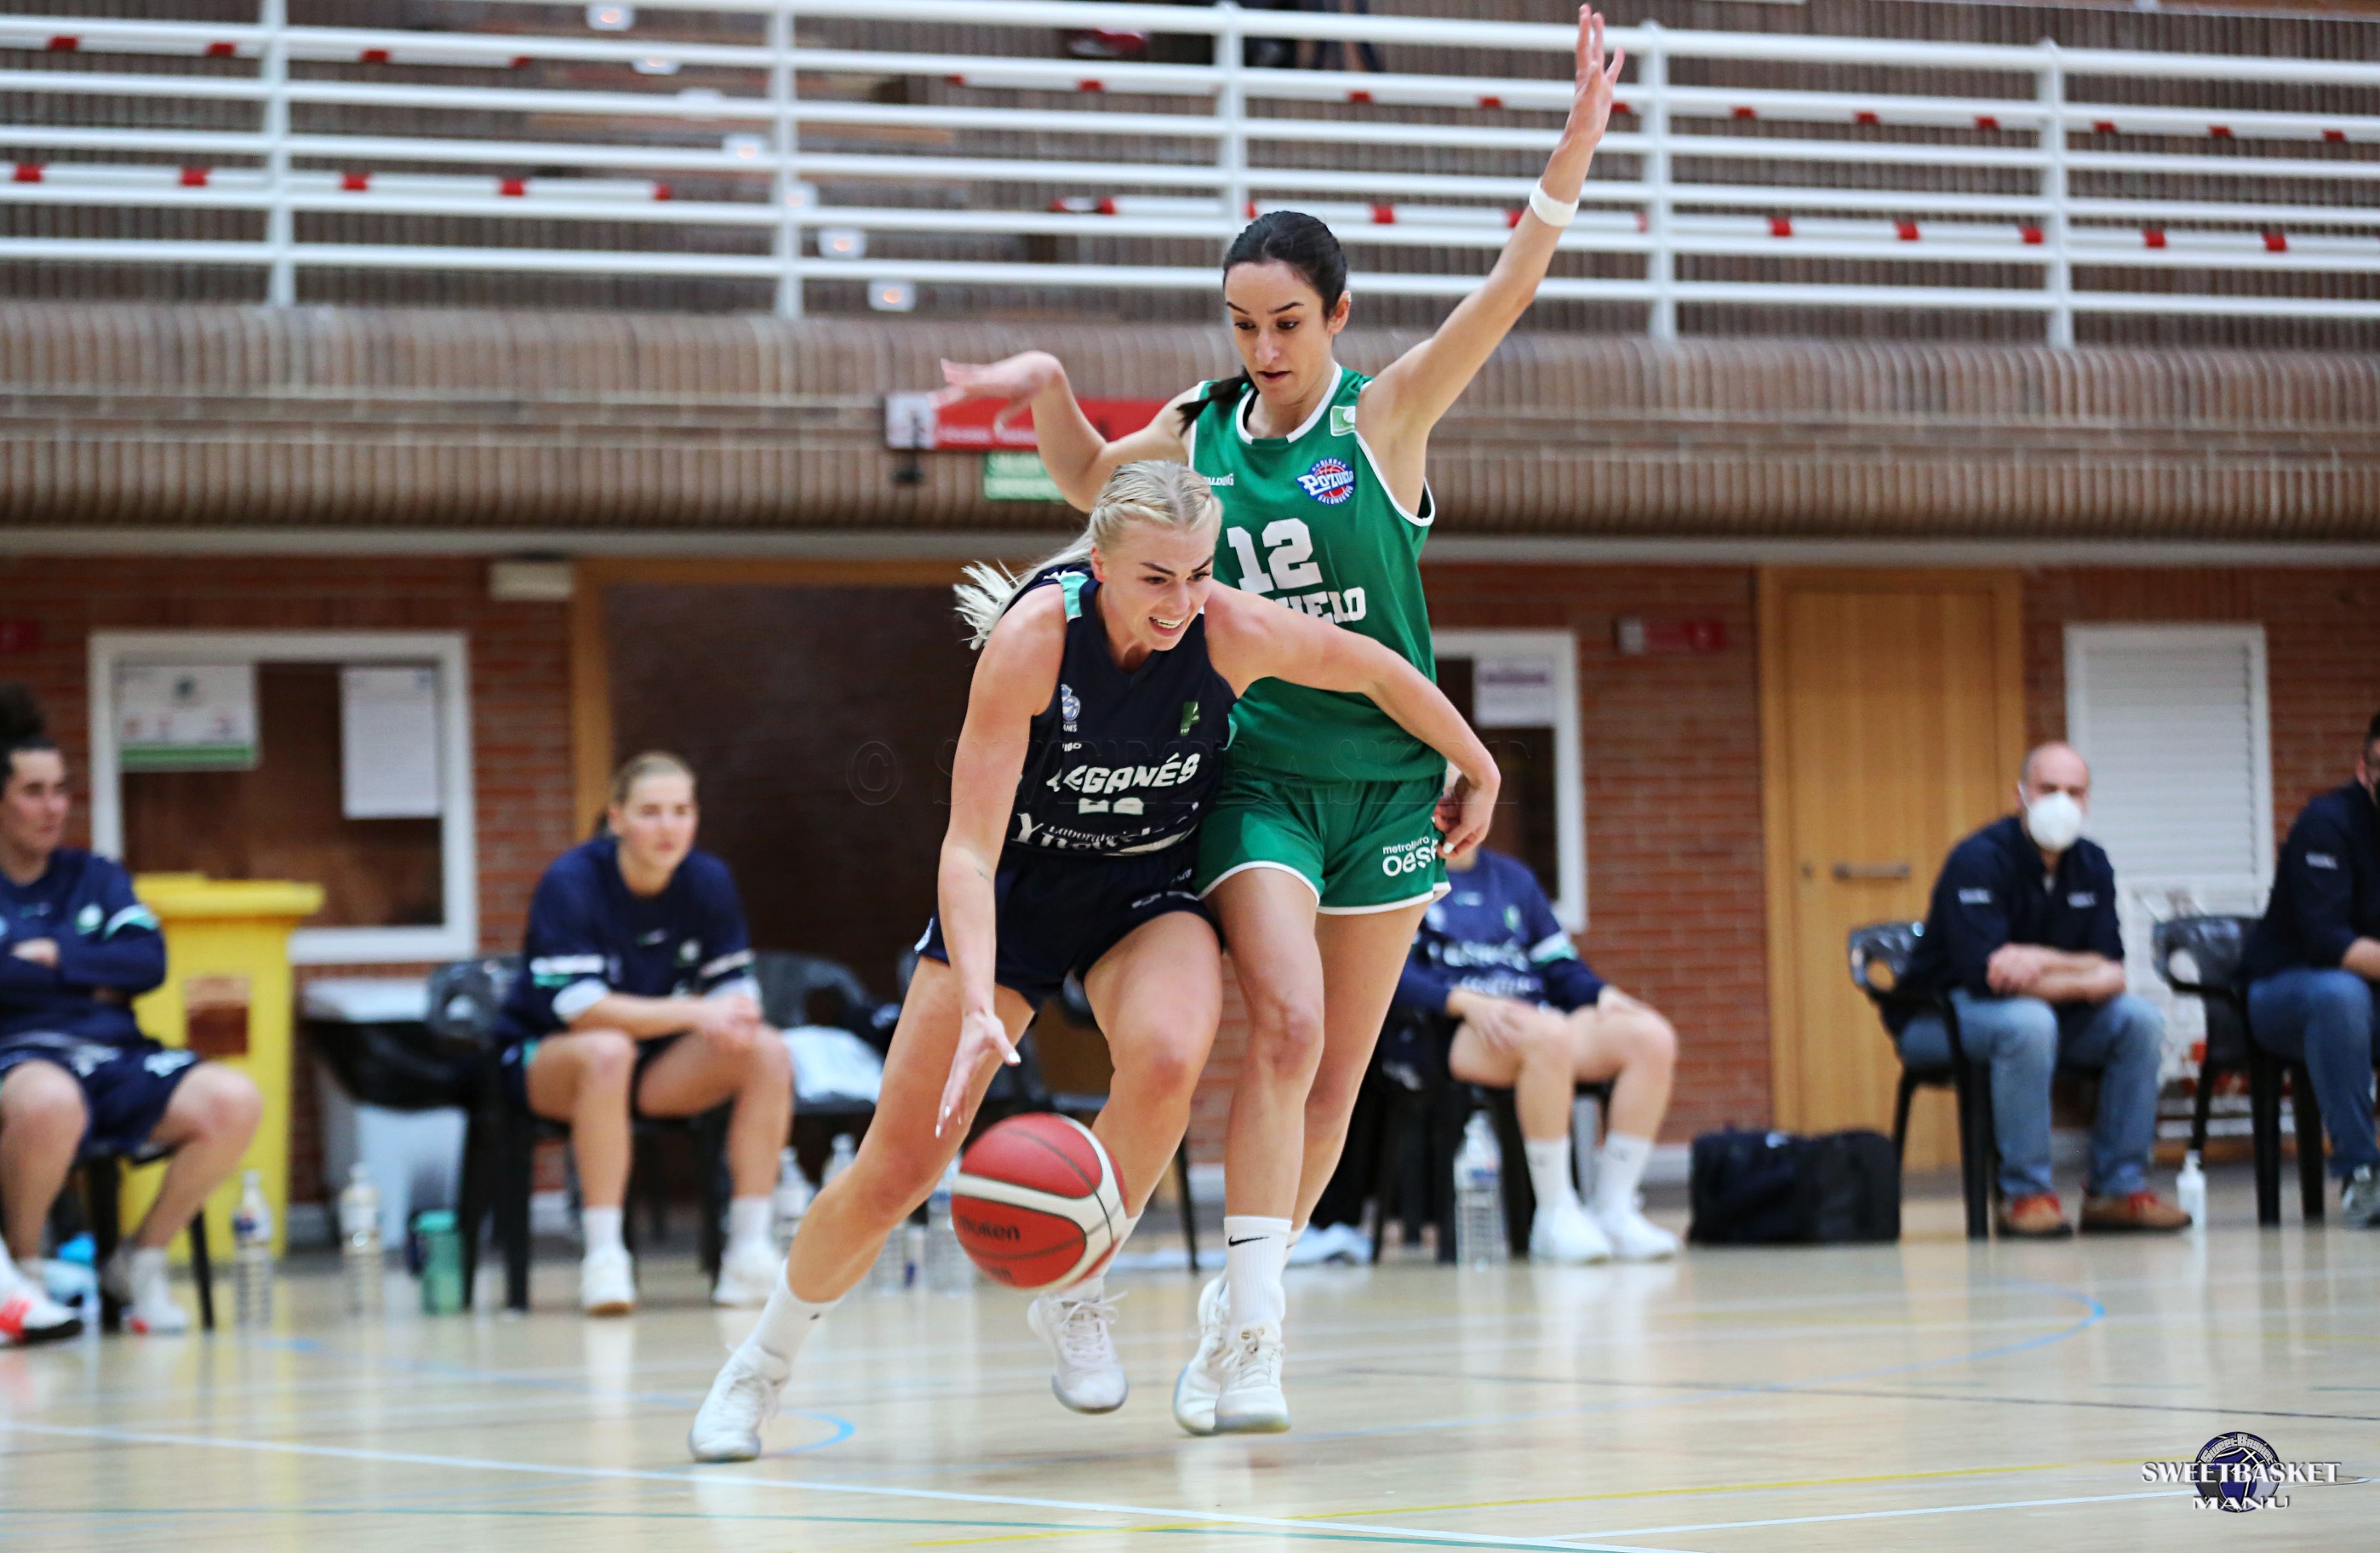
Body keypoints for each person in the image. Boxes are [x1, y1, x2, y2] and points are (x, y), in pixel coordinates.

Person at [934, 1, 1622, 1440]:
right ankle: (1243, 1331)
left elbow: (1510, 287)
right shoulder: (1198, 426)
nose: (1262, 347)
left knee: (1332, 1075)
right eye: (1243, 324)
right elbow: (1092, 489)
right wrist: (1049, 390)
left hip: (1389, 790)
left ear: (1337, 317)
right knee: (1288, 1026)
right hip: (1254, 783)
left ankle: (1238, 1320)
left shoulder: (1384, 421)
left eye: (1287, 323)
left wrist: (1573, 148)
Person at [686, 461, 1496, 1462]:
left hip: (1146, 890)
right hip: (1021, 894)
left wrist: (1478, 762)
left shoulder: (1229, 630)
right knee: (896, 1172)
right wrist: (976, 1000)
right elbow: (968, 851)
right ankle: (758, 1367)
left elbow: (1372, 664)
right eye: (1157, 578)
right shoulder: (1035, 642)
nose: (1181, 602)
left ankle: (1078, 1283)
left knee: (1168, 1058)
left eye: (1198, 574)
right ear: (1101, 564)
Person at [0, 684, 261, 1342]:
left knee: (233, 1099)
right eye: (34, 792)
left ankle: (138, 1262)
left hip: (115, 1056)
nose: (53, 807)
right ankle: (23, 1270)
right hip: (22, 1057)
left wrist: (55, 957)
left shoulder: (97, 875)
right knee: (49, 1103)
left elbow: (147, 962)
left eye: (61, 790)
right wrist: (91, 976)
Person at [495, 751, 792, 1315]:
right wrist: (695, 1013)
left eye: (681, 811)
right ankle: (605, 1257)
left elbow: (736, 992)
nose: (667, 827)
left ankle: (749, 1250)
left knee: (768, 1051)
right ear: (617, 818)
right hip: (547, 1056)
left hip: (652, 1066)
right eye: (650, 812)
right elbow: (581, 1009)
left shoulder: (708, 880)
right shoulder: (571, 880)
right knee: (607, 1050)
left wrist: (735, 1017)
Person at [1894, 742, 2189, 1236]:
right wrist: (2085, 979)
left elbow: (2110, 966)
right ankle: (2025, 1195)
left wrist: (2040, 959)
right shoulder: (1977, 858)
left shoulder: (2092, 862)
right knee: (2029, 1023)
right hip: (1940, 1018)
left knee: (2140, 1021)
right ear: (2021, 795)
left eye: (2074, 792)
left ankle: (2116, 1190)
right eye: (2048, 789)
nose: (2061, 802)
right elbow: (1989, 977)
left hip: (2050, 1018)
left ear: (2088, 801)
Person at [1385, 844, 1678, 1263]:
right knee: (1547, 1036)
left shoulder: (1514, 879)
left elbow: (1558, 963)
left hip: (1538, 1020)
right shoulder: (1400, 873)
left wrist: (1601, 993)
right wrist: (1462, 1002)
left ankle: (1614, 1208)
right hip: (1448, 1027)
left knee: (1650, 1036)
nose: (1453, 811)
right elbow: (1387, 971)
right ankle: (1555, 1212)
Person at [2241, 711, 2380, 1224]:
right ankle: (2361, 1173)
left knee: (2351, 995)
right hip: (2286, 991)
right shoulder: (2326, 824)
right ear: (2364, 769)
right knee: (2340, 994)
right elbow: (2329, 943)